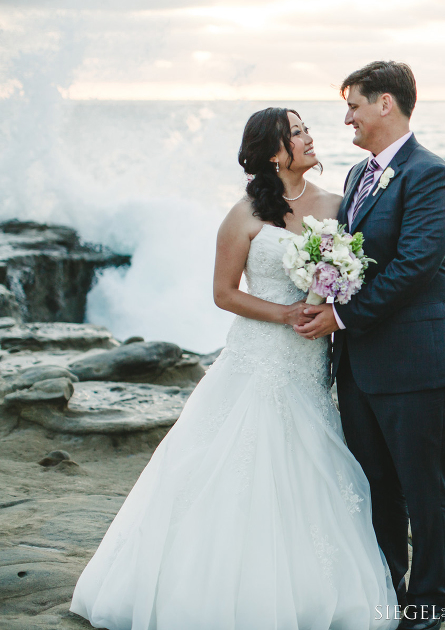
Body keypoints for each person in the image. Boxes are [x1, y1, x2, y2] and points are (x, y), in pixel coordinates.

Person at [69, 107, 399, 630]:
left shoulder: (338, 207)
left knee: (309, 463)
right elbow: (224, 294)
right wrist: (286, 312)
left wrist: (330, 304)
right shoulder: (243, 214)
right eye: (296, 133)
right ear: (272, 152)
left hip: (310, 362)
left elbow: (355, 272)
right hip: (257, 357)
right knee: (237, 460)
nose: (310, 137)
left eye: (307, 128)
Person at [293, 61, 445, 630]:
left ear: (386, 104)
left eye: (354, 105)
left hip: (418, 360)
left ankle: (426, 607)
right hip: (362, 363)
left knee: (423, 488)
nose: (346, 117)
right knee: (374, 485)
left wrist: (341, 317)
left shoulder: (430, 176)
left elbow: (416, 267)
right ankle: (385, 588)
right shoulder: (355, 177)